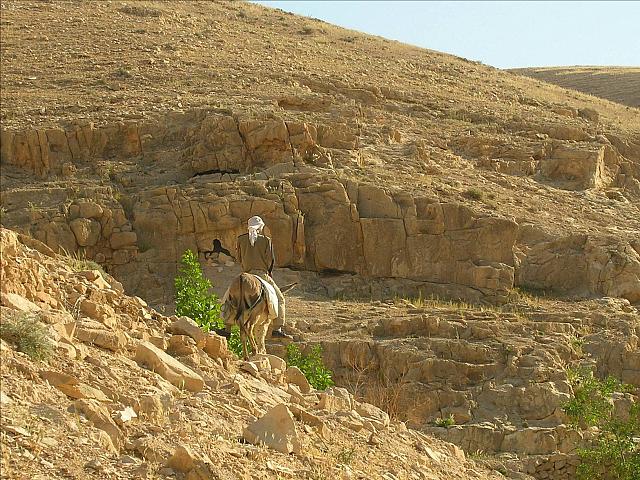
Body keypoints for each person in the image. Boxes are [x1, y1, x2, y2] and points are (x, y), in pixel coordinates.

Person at [230, 216, 291, 339]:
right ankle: (277, 327)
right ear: (260, 227)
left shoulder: (240, 239)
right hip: (261, 274)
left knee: (228, 296)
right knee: (280, 299)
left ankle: (226, 327)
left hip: (246, 274)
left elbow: (239, 258)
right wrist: (268, 271)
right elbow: (270, 260)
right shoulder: (266, 240)